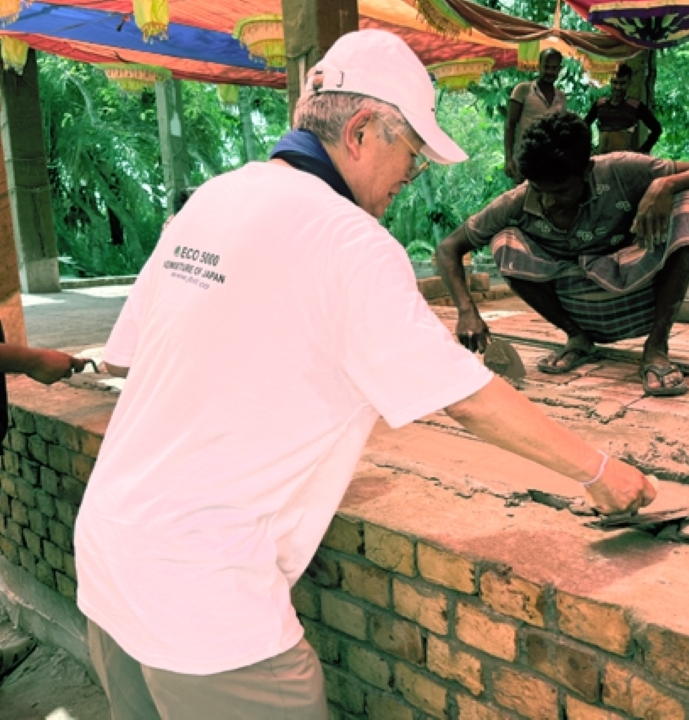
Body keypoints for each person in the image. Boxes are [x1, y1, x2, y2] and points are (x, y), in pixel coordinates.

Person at [74, 30, 657, 720]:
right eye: (410, 151)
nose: (410, 174)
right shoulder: (350, 242)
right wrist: (602, 472)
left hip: (111, 553)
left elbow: (132, 356)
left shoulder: (214, 199)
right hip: (206, 596)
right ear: (360, 131)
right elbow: (468, 400)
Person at [437, 112, 689, 397]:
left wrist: (666, 184)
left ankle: (656, 349)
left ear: (587, 171)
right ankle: (578, 338)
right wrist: (466, 311)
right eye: (540, 191)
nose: (549, 201)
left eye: (562, 191)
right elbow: (449, 248)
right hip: (580, 303)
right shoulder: (515, 202)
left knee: (688, 200)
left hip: (639, 294)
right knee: (504, 241)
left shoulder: (620, 169)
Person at [504, 48, 566, 184]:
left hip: (550, 162)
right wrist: (508, 159)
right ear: (539, 66)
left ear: (560, 69)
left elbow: (561, 130)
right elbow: (510, 124)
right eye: (546, 67)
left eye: (554, 68)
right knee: (522, 200)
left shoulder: (561, 97)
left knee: (546, 201)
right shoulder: (523, 89)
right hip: (524, 159)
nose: (550, 71)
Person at [584, 65, 662, 154]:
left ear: (629, 83)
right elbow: (583, 126)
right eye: (615, 82)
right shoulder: (600, 104)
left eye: (622, 83)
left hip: (624, 158)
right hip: (602, 156)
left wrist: (643, 150)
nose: (618, 87)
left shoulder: (635, 106)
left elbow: (657, 129)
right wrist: (589, 148)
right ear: (610, 82)